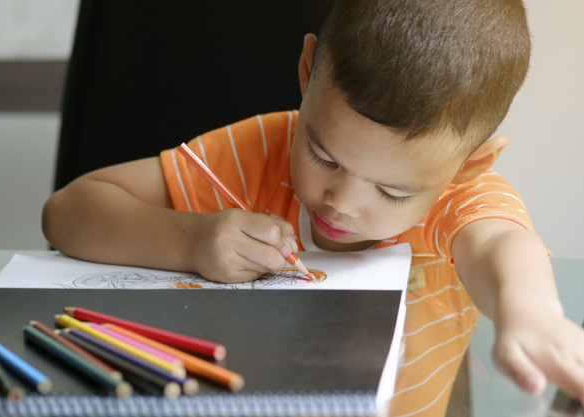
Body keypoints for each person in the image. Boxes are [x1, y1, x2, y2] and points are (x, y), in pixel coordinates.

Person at [42, 0, 584, 415]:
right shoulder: (257, 151)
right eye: (322, 155)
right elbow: (68, 211)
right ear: (306, 73)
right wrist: (193, 240)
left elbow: (500, 245)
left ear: (470, 164)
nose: (342, 204)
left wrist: (530, 313)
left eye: (393, 193)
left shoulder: (460, 196)